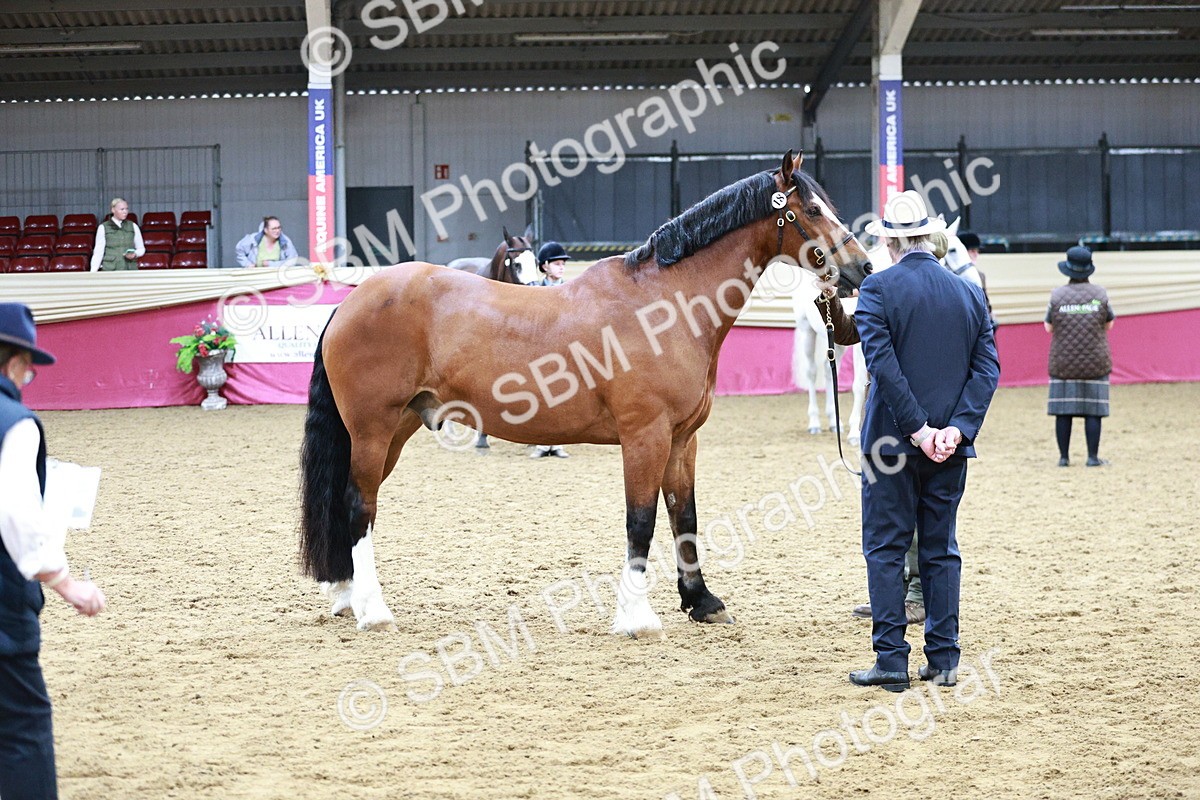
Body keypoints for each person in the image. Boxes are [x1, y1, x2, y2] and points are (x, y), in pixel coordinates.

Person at [845, 191, 999, 693]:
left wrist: (917, 429)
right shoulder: (968, 292)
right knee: (941, 548)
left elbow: (883, 369)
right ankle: (945, 657)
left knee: (886, 549)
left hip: (893, 444)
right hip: (952, 446)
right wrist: (956, 428)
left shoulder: (876, 290)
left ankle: (891, 660)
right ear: (930, 237)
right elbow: (987, 368)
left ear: (890, 242)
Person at [0, 303, 107, 799]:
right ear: (13, 360)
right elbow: (17, 517)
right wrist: (64, 581)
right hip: (3, 607)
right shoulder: (15, 423)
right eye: (27, 363)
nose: (29, 374)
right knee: (24, 727)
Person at [1045, 246, 1115, 467]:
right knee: (1093, 411)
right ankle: (1092, 457)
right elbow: (1109, 324)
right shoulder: (1100, 294)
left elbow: (1048, 327)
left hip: (1063, 362)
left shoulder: (1056, 295)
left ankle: (1064, 458)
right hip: (1095, 361)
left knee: (1063, 411)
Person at [528, 241, 571, 457]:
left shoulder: (572, 290)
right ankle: (542, 443)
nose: (561, 267)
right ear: (544, 266)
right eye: (557, 264)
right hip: (539, 350)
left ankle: (558, 443)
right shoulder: (534, 290)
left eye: (563, 264)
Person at [89, 198, 145, 272]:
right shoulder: (103, 227)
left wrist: (135, 254)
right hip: (110, 269)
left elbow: (141, 249)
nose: (125, 212)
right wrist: (93, 271)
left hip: (130, 269)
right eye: (122, 209)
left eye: (126, 209)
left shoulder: (133, 226)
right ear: (113, 210)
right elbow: (98, 252)